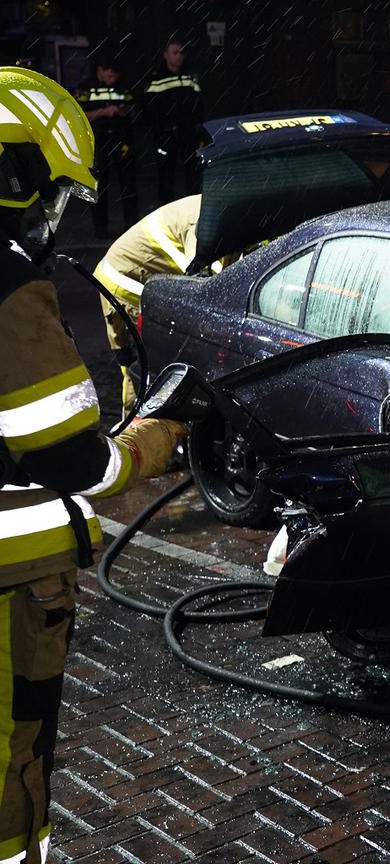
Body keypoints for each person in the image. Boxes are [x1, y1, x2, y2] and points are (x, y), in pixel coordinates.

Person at [0, 66, 184, 864]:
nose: (53, 218)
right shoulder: (6, 282)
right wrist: (156, 435)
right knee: (14, 747)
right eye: (52, 195)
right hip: (10, 576)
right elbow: (74, 459)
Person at [94, 195, 223, 414]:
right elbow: (201, 282)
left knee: (151, 364)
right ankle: (135, 427)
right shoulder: (204, 224)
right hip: (125, 283)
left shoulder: (218, 208)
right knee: (145, 368)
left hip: (140, 277)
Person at [76, 56, 138, 237]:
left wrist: (124, 111)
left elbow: (132, 107)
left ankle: (131, 228)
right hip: (98, 142)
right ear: (100, 70)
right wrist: (104, 112)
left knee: (128, 186)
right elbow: (79, 114)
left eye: (115, 77)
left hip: (121, 141)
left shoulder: (122, 86)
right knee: (99, 188)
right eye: (110, 76)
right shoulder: (86, 87)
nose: (113, 80)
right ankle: (100, 229)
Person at [139, 41, 203, 204]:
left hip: (189, 133)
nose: (179, 56)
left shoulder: (190, 76)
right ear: (165, 55)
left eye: (181, 52)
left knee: (193, 176)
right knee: (166, 178)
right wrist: (158, 132)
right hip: (166, 135)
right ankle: (166, 213)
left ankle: (193, 211)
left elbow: (199, 103)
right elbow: (148, 108)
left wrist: (197, 127)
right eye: (175, 52)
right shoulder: (155, 78)